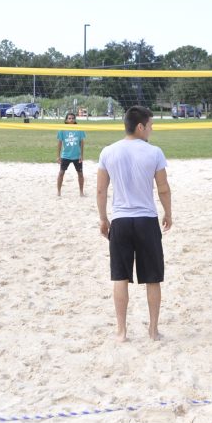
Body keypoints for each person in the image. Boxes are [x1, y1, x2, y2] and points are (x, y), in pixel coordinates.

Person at [97, 106, 172, 342]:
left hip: (120, 220)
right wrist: (168, 212)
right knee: (152, 278)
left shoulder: (108, 151)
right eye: (150, 125)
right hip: (146, 221)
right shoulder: (154, 152)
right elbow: (163, 188)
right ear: (140, 127)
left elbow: (100, 190)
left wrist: (102, 218)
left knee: (120, 277)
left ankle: (121, 331)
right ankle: (153, 330)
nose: (151, 129)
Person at [56, 112, 87, 197]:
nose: (71, 120)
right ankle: (58, 192)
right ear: (66, 120)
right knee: (61, 173)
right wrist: (58, 156)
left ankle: (81, 192)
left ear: (75, 120)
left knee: (80, 174)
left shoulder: (79, 129)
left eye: (73, 118)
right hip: (65, 155)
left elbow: (82, 143)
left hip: (77, 155)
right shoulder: (62, 129)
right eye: (69, 118)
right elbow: (59, 143)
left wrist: (81, 155)